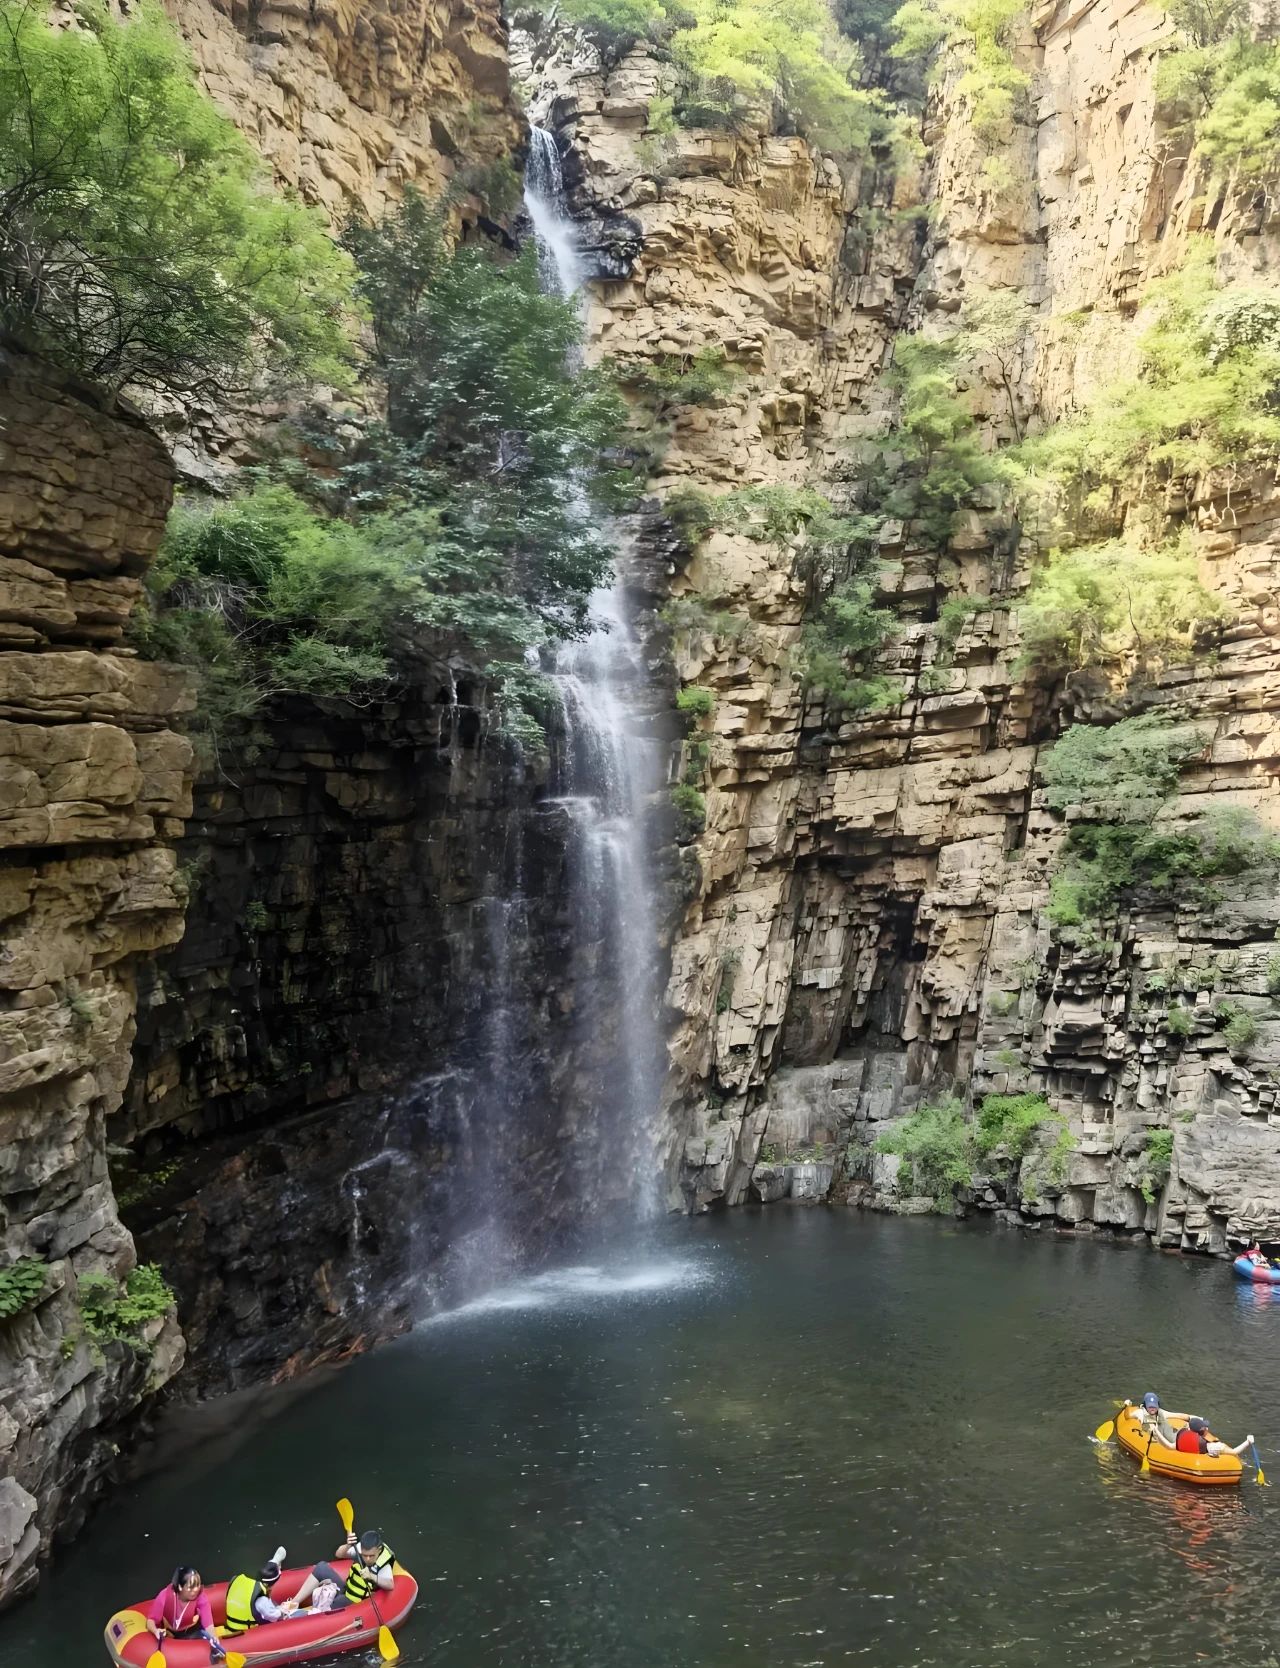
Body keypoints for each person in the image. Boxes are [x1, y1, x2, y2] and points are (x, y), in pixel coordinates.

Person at [291, 1528, 396, 1613]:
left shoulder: (384, 1564)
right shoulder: (360, 1548)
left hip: (356, 1602)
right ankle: (294, 1603)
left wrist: (372, 1576)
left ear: (378, 1550)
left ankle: (297, 1618)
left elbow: (390, 1585)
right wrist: (348, 1545)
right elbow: (339, 1554)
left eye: (371, 1556)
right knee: (321, 1568)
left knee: (330, 1603)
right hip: (347, 1589)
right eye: (365, 1555)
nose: (367, 1559)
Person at [146, 1567, 226, 1663]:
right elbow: (151, 1620)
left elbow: (207, 1622)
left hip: (193, 1632)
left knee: (210, 1653)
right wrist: (155, 1631)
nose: (196, 1590)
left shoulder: (200, 1597)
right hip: (170, 1634)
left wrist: (213, 1636)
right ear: (180, 1587)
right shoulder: (165, 1596)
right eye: (191, 1587)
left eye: (197, 1585)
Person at [224, 1548, 296, 1634]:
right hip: (246, 1634)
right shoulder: (261, 1599)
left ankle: (275, 1562)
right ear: (269, 1585)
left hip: (230, 1629)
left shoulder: (242, 1584)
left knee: (276, 1605)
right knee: (297, 1613)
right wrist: (283, 1610)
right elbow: (272, 1616)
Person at [1167, 1415, 1254, 1458]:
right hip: (1208, 1457)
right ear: (1204, 1430)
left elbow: (1170, 1446)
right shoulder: (1211, 1446)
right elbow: (1235, 1452)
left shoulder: (1184, 1439)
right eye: (1205, 1427)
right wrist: (1248, 1442)